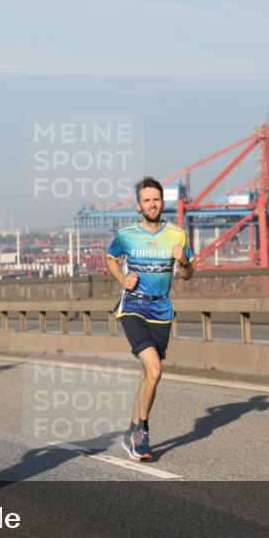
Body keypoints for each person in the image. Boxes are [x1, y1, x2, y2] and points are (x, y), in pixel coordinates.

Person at [106, 176, 194, 462]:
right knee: (155, 370)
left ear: (162, 202)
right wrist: (123, 277)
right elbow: (110, 258)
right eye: (147, 200)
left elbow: (188, 274)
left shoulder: (177, 235)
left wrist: (183, 261)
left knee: (148, 376)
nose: (152, 204)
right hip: (133, 307)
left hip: (161, 310)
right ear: (139, 205)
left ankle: (130, 431)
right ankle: (142, 434)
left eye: (156, 199)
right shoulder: (126, 234)